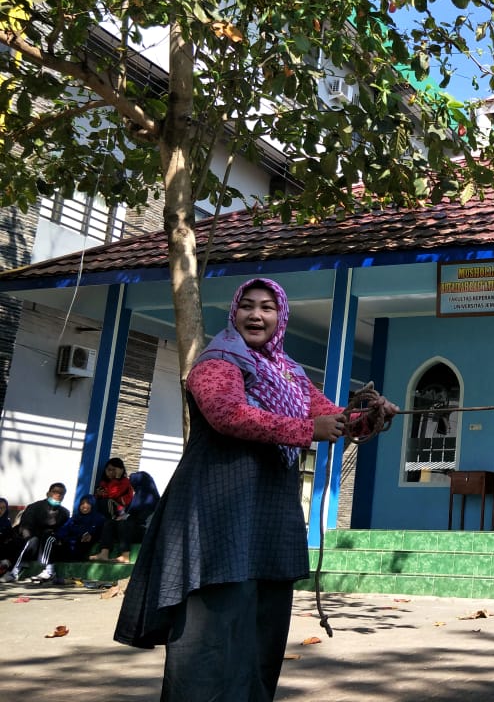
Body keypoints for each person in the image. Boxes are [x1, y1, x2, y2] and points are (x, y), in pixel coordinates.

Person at [114, 277, 398, 701]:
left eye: (267, 307)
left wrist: (369, 415)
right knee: (211, 626)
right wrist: (306, 429)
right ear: (234, 312)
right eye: (247, 305)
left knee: (263, 627)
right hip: (217, 512)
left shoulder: (290, 375)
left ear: (280, 318)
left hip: (269, 519)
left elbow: (333, 418)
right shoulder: (218, 361)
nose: (256, 314)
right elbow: (227, 414)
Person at [1, 482, 70, 583]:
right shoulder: (35, 507)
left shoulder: (64, 513)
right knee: (32, 540)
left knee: (49, 537)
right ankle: (14, 573)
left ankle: (49, 571)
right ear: (48, 493)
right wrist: (30, 538)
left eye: (61, 494)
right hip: (31, 542)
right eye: (55, 492)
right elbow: (25, 526)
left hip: (49, 546)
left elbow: (64, 530)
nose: (58, 495)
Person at [90, 457, 136, 563]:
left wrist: (117, 478)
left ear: (120, 470)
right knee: (107, 522)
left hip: (122, 514)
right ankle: (104, 554)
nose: (110, 472)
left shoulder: (124, 481)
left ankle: (124, 556)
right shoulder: (104, 482)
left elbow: (112, 494)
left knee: (108, 502)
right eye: (108, 469)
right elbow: (99, 493)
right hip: (109, 516)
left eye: (113, 469)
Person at [51, 494, 105, 568]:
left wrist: (90, 535)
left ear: (93, 505)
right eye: (82, 503)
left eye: (88, 503)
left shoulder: (98, 518)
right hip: (69, 542)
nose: (84, 506)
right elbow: (64, 529)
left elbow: (97, 532)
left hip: (82, 543)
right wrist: (59, 537)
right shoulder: (75, 518)